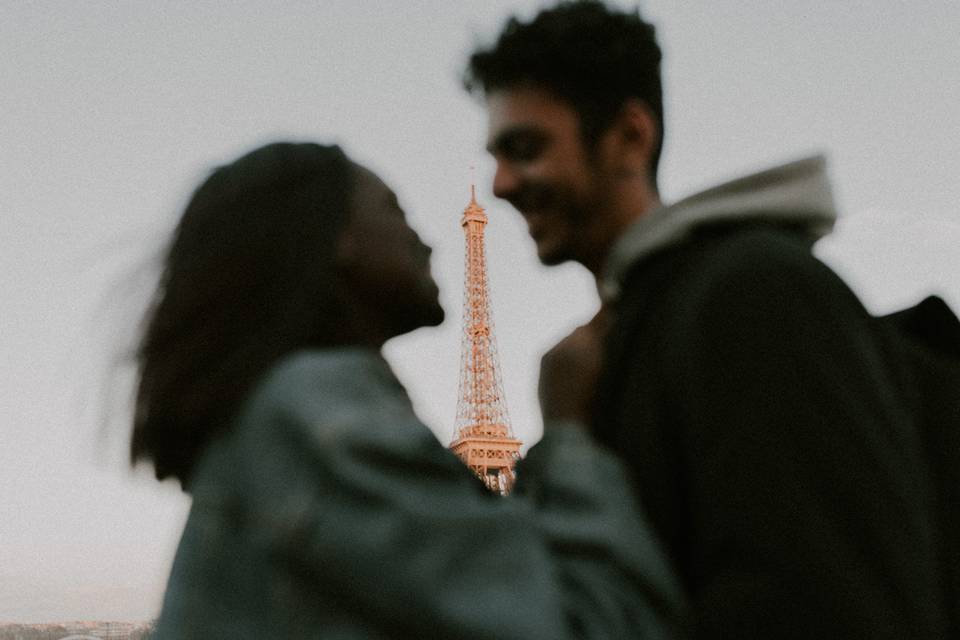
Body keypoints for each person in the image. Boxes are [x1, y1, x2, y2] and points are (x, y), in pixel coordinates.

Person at [465, 2, 950, 637]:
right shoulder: (648, 329)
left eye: (525, 149)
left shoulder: (750, 293)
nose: (499, 184)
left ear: (630, 136)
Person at [131, 141, 686, 638]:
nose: (423, 240)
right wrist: (567, 433)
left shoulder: (282, 414)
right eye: (395, 212)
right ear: (338, 242)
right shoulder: (313, 410)